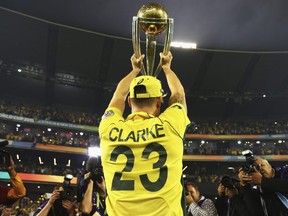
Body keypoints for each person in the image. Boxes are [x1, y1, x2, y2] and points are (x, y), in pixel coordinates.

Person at [99, 51, 190, 216]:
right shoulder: (170, 124)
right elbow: (179, 96)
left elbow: (118, 95)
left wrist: (134, 71)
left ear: (129, 101)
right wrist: (167, 68)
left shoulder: (109, 128)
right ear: (159, 101)